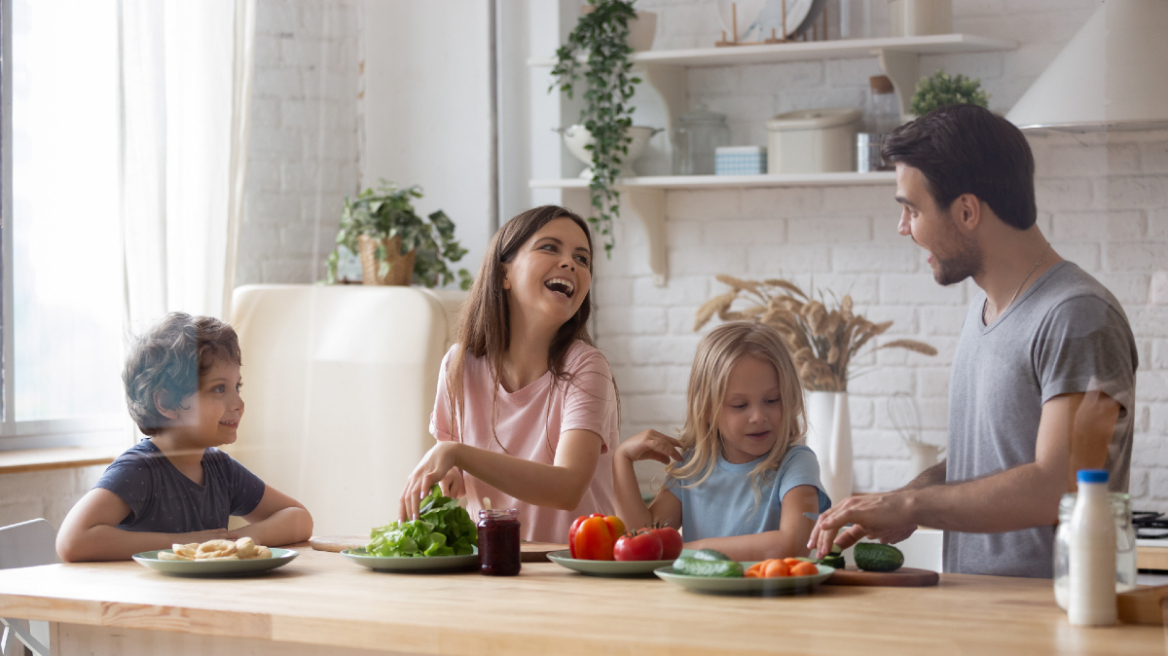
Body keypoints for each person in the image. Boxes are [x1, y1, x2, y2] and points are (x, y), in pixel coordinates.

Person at [809, 104, 1138, 578]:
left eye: (912, 209)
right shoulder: (983, 311)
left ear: (966, 211)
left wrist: (913, 505)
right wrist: (904, 497)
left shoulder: (1077, 316)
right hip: (981, 612)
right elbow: (992, 460)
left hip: (1047, 619)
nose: (904, 228)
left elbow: (1058, 487)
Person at [399, 205, 619, 544]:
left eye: (582, 258)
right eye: (549, 247)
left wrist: (456, 454)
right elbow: (457, 474)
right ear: (504, 274)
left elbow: (568, 488)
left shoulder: (587, 367)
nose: (570, 263)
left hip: (574, 571)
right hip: (493, 563)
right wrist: (451, 477)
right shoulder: (459, 365)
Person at [56, 313, 314, 562]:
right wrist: (187, 544)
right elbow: (72, 541)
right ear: (167, 402)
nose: (238, 403)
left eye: (237, 387)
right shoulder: (140, 470)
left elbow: (299, 518)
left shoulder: (220, 469)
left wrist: (236, 541)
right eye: (219, 389)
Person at [612, 321, 830, 561]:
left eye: (772, 400)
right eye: (740, 405)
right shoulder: (693, 466)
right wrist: (621, 459)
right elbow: (644, 543)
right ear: (706, 409)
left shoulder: (797, 463)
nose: (758, 416)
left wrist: (690, 549)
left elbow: (793, 544)